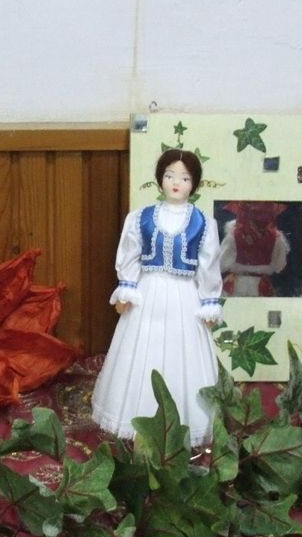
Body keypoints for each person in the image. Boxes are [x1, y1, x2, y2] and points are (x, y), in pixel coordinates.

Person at [92, 150, 224, 446]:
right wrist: (126, 288)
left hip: (185, 297)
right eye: (169, 176)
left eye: (184, 178)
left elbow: (208, 265)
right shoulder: (141, 218)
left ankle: (184, 424)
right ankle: (139, 420)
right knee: (141, 352)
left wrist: (209, 302)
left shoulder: (203, 223)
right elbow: (130, 254)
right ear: (160, 179)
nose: (176, 183)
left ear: (194, 184)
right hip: (148, 295)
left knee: (183, 355)